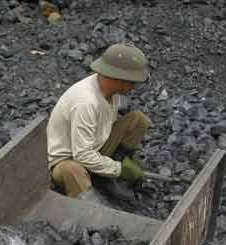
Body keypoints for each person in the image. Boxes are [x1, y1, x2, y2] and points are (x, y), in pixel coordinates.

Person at [47, 42, 151, 202]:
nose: (134, 86)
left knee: (138, 120)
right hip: (68, 160)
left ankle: (104, 179)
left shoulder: (110, 91)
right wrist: (120, 169)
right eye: (132, 81)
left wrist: (126, 161)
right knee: (72, 170)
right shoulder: (86, 103)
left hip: (93, 148)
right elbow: (81, 155)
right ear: (119, 78)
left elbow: (103, 128)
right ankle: (93, 211)